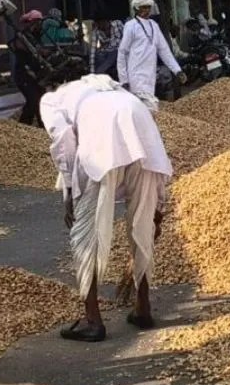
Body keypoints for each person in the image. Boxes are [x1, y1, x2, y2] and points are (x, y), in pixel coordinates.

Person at [41, 75, 172, 342]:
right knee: (143, 226)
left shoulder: (52, 101)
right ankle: (143, 307)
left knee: (86, 233)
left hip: (102, 138)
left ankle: (92, 320)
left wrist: (70, 192)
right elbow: (143, 116)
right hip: (141, 128)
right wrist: (158, 203)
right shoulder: (106, 85)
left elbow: (64, 141)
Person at [118, 0, 185, 106]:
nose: (147, 10)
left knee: (149, 106)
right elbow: (122, 53)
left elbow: (164, 50)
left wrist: (177, 70)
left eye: (148, 7)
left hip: (150, 74)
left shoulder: (154, 25)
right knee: (143, 106)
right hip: (136, 75)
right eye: (143, 7)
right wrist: (124, 79)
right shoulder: (130, 26)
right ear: (136, 9)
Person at [13, 10, 47, 127]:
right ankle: (25, 126)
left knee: (39, 100)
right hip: (24, 75)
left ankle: (36, 126)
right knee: (34, 100)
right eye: (37, 23)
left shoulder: (34, 37)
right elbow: (26, 55)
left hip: (35, 74)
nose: (39, 25)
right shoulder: (22, 38)